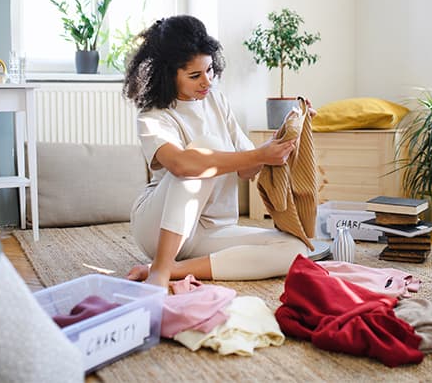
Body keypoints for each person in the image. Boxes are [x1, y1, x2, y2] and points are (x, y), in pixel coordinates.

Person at [122, 15, 310, 289]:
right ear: (168, 74)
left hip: (213, 229)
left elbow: (247, 169)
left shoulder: (217, 100)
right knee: (203, 151)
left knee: (296, 250)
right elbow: (182, 165)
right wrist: (259, 155)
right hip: (159, 228)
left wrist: (283, 137)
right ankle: (160, 268)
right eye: (195, 75)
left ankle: (175, 269)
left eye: (209, 70)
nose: (207, 82)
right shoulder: (153, 116)